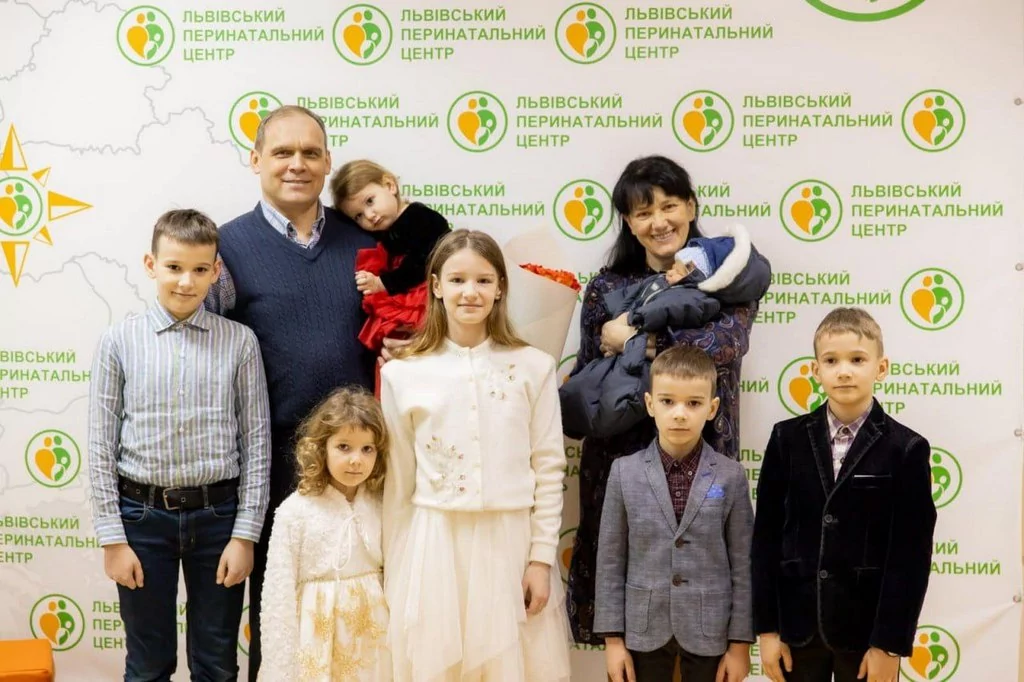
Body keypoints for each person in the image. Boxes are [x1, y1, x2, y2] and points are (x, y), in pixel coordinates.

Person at [204, 104, 377, 680]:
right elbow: (205, 352)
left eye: (310, 152)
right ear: (256, 160)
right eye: (282, 152)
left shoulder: (367, 244)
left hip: (361, 465)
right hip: (270, 465)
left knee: (360, 618)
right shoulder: (224, 249)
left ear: (328, 162)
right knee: (278, 618)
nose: (296, 164)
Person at [566, 154, 767, 644]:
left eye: (669, 206)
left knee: (703, 591)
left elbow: (720, 346)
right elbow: (591, 368)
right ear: (628, 222)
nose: (659, 222)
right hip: (619, 459)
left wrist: (636, 337)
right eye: (643, 212)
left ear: (691, 207)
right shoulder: (606, 288)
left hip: (703, 458)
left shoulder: (727, 276)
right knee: (627, 610)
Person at [380, 229, 571, 681]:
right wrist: (396, 569)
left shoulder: (534, 366)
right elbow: (398, 482)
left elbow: (548, 468)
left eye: (484, 280)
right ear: (436, 286)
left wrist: (541, 559)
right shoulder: (403, 374)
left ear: (501, 287)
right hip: (434, 545)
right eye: (458, 279)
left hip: (510, 544)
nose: (471, 292)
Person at [89, 209, 270, 681]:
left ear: (215, 271)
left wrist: (245, 535)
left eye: (199, 269)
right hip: (141, 520)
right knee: (147, 664)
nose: (186, 281)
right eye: (174, 267)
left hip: (219, 521)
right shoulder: (119, 341)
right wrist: (112, 538)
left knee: (216, 663)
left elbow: (256, 442)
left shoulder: (240, 343)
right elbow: (100, 445)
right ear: (151, 265)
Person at [752, 308, 936, 682]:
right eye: (831, 361)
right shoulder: (786, 439)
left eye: (857, 359)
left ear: (881, 368)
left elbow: (910, 556)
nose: (844, 371)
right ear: (815, 370)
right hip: (797, 630)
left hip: (866, 634)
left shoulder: (907, 448)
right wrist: (767, 630)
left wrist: (889, 644)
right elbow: (766, 539)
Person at [595, 345, 754, 682]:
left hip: (710, 628)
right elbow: (610, 562)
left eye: (693, 403)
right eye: (668, 401)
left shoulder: (731, 476)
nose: (680, 414)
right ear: (650, 404)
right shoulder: (624, 472)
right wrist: (613, 641)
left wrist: (740, 644)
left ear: (712, 408)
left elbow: (743, 565)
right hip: (642, 629)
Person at [259, 387, 391, 682]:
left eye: (367, 449)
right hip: (315, 643)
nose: (356, 460)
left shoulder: (381, 506)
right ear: (321, 448)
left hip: (373, 645)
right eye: (344, 447)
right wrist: (279, 670)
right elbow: (277, 597)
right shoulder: (294, 512)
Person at [330, 159, 451, 385]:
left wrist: (382, 283)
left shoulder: (421, 218)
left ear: (390, 185)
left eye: (370, 201)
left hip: (428, 300)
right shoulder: (384, 232)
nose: (369, 215)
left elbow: (424, 262)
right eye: (358, 216)